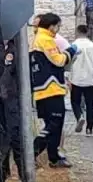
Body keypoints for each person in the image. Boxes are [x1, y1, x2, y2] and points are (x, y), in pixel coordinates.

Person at [30, 13, 75, 169]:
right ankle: (32, 152)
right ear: (51, 26)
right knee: (54, 124)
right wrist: (71, 52)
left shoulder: (38, 39)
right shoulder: (46, 40)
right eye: (58, 26)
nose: (58, 30)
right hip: (50, 88)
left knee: (54, 125)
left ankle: (54, 157)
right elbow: (59, 60)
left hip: (43, 89)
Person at [0, 38, 26, 179]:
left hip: (10, 99)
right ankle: (2, 172)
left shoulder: (14, 51)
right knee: (0, 138)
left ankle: (23, 174)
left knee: (14, 136)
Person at [68, 25, 93, 136]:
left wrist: (67, 77)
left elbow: (68, 63)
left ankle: (79, 116)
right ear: (87, 33)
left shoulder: (73, 46)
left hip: (76, 79)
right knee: (90, 104)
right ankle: (89, 128)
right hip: (91, 78)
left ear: (77, 32)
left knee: (75, 101)